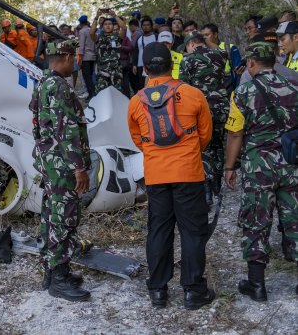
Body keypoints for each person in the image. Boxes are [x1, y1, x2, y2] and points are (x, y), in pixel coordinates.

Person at [127, 43, 215, 310]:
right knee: (192, 231)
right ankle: (193, 291)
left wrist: (158, 155)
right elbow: (205, 135)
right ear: (172, 65)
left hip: (156, 174)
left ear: (145, 69)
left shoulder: (135, 101)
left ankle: (157, 291)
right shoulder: (193, 94)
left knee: (158, 231)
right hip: (188, 172)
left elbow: (137, 139)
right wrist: (186, 152)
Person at [223, 41, 298, 301]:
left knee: (256, 220)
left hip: (258, 167)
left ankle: (257, 285)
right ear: (274, 62)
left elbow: (235, 134)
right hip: (292, 163)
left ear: (252, 63)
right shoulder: (294, 86)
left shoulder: (242, 92)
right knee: (294, 218)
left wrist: (230, 166)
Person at [29, 39, 92, 302]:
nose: (76, 61)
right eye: (74, 56)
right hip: (62, 165)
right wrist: (79, 167)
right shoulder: (59, 87)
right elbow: (66, 130)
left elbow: (37, 125)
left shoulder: (42, 83)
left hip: (49, 161)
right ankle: (59, 277)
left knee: (50, 215)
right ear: (65, 56)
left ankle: (52, 269)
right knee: (64, 218)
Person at [179, 32, 230, 205]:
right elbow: (220, 50)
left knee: (204, 147)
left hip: (201, 109)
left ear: (191, 44)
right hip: (222, 107)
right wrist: (207, 42)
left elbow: (183, 88)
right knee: (218, 144)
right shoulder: (220, 55)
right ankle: (217, 182)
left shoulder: (187, 60)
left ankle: (206, 187)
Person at [90, 11, 127, 94]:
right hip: (102, 71)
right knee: (101, 94)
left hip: (116, 71)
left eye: (110, 24)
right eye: (105, 24)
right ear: (102, 27)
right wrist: (96, 17)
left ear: (113, 26)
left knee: (118, 94)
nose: (107, 25)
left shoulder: (118, 37)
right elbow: (91, 32)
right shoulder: (98, 38)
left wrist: (114, 16)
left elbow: (124, 28)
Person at [201, 23, 242, 89]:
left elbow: (239, 70)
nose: (204, 38)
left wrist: (237, 89)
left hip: (229, 86)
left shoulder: (229, 48)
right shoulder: (201, 52)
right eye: (202, 36)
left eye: (207, 35)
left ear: (215, 35)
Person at [132, 16, 157, 91]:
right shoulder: (139, 38)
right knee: (142, 85)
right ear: (141, 27)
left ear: (151, 26)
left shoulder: (156, 37)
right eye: (144, 25)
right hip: (141, 66)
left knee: (154, 84)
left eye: (148, 25)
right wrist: (134, 65)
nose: (146, 27)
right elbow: (136, 51)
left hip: (154, 65)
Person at [77, 15, 96, 98]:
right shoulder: (92, 30)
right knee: (91, 76)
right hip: (93, 56)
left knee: (87, 77)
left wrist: (80, 59)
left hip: (85, 57)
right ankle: (93, 93)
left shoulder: (82, 31)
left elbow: (81, 46)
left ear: (80, 23)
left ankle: (91, 94)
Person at [115, 23, 134, 97]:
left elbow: (130, 48)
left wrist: (122, 47)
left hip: (124, 63)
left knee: (125, 83)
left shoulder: (125, 38)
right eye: (114, 30)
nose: (116, 31)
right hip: (113, 65)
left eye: (117, 29)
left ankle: (127, 99)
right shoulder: (109, 38)